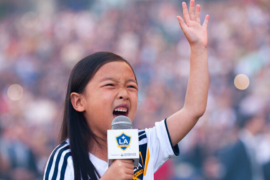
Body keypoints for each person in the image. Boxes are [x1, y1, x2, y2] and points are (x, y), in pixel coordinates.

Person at [43, 0, 209, 179]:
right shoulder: (66, 158)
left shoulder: (143, 145)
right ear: (79, 101)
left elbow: (193, 110)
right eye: (110, 85)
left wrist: (198, 48)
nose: (124, 94)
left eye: (131, 86)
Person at [220, 114, 266, 180]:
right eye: (258, 122)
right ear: (250, 123)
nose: (261, 125)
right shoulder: (237, 143)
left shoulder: (256, 142)